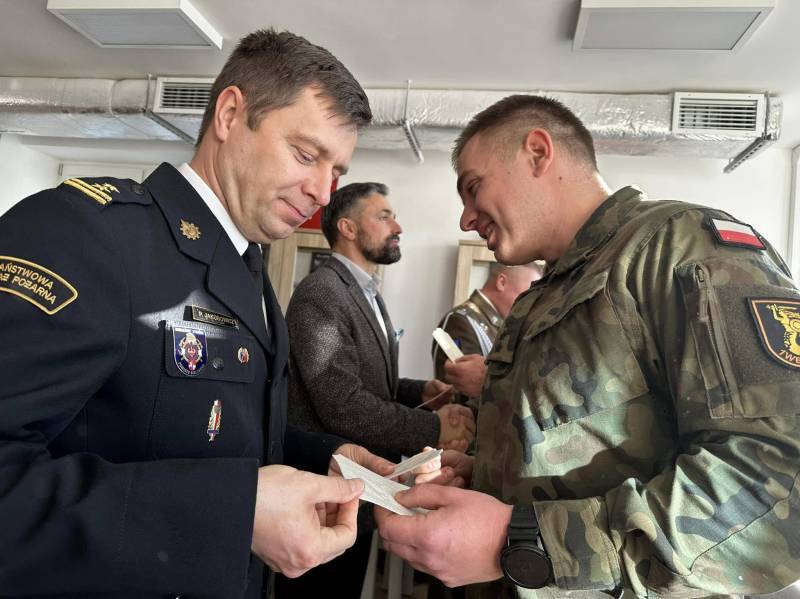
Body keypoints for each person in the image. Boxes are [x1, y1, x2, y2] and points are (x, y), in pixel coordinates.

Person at [0, 29, 395, 598]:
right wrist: (234, 513)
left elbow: (205, 422)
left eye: (335, 171)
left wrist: (325, 458)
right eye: (306, 155)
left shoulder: (249, 265)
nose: (322, 192)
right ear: (231, 114)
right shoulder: (90, 234)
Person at [376, 94, 800, 598]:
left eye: (473, 188)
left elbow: (777, 478)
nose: (466, 219)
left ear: (537, 152)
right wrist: (486, 476)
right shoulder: (543, 296)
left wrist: (524, 542)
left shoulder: (678, 248)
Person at [278, 181, 476, 597]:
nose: (397, 227)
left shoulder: (366, 292)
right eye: (384, 217)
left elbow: (369, 382)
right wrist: (434, 428)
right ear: (348, 228)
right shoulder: (321, 293)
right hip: (326, 497)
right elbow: (342, 404)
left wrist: (421, 392)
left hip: (360, 489)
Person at [432, 262, 542, 405]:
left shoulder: (502, 324)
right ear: (501, 282)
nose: (531, 304)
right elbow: (464, 395)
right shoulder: (460, 321)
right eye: (528, 294)